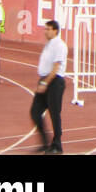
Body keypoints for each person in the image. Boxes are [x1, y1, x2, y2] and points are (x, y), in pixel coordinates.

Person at [30, 19, 67, 155]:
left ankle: (57, 145)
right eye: (45, 29)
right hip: (45, 80)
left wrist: (45, 83)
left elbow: (56, 67)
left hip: (54, 82)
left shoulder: (59, 45)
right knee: (35, 111)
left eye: (47, 29)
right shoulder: (49, 44)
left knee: (54, 114)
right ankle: (46, 143)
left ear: (55, 30)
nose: (45, 31)